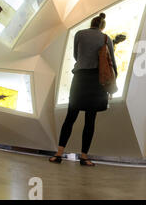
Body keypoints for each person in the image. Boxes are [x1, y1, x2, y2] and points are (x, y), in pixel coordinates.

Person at [49, 13, 117, 167]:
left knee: (70, 117)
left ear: (92, 23)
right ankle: (84, 157)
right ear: (102, 26)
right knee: (90, 120)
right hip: (97, 82)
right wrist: (112, 88)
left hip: (80, 79)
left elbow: (76, 55)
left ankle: (59, 154)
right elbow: (111, 63)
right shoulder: (106, 39)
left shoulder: (79, 34)